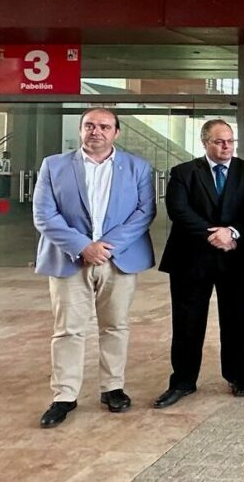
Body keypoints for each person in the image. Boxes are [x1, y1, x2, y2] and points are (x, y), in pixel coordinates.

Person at [33, 108, 156, 428]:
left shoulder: (137, 167)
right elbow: (44, 214)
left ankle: (112, 387)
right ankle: (64, 395)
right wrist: (82, 246)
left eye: (104, 126)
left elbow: (144, 213)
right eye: (89, 125)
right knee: (68, 329)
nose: (96, 131)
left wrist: (104, 247)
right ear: (81, 129)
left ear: (116, 132)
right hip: (68, 258)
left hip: (118, 259)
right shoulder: (54, 165)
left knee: (115, 326)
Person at [154, 119, 244, 408]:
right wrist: (215, 234)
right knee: (187, 322)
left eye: (230, 141)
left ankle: (238, 376)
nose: (226, 146)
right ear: (205, 143)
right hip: (191, 259)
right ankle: (183, 381)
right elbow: (178, 210)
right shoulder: (183, 172)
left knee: (235, 319)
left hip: (235, 257)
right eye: (219, 141)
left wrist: (233, 232)